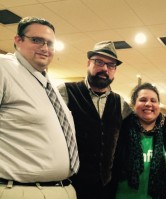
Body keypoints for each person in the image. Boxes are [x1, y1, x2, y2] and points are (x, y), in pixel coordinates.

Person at [0, 16, 78, 199]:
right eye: (36, 40)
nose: (45, 48)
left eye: (50, 43)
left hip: (63, 188)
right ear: (18, 40)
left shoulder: (47, 84)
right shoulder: (4, 68)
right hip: (21, 190)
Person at [58, 41, 132, 199]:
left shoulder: (120, 103)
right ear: (88, 63)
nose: (105, 69)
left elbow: (142, 121)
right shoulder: (65, 92)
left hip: (106, 187)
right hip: (71, 185)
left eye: (111, 65)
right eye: (99, 62)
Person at [115, 82, 166, 199]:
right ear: (133, 105)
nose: (148, 104)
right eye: (143, 100)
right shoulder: (120, 130)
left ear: (158, 105)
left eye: (153, 101)